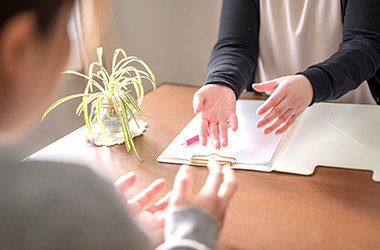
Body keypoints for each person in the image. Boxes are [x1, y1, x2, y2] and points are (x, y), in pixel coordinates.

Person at [0, 0, 237, 249]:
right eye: (68, 25)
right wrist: (194, 228)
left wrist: (112, 235)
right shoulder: (64, 203)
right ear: (19, 48)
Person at [193, 0, 380, 149]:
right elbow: (236, 45)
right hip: (271, 115)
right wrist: (222, 81)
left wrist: (312, 84)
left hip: (352, 112)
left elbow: (364, 46)